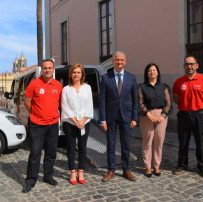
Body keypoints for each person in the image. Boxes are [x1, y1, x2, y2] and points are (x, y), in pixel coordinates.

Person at [22, 59, 62, 193]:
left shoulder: (58, 85)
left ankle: (48, 176)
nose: (47, 70)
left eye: (50, 68)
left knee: (51, 153)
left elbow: (60, 104)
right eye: (45, 68)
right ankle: (30, 180)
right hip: (37, 125)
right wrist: (36, 114)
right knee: (35, 153)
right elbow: (27, 102)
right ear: (42, 69)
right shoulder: (34, 84)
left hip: (53, 125)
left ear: (53, 69)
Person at [172, 56, 203, 177]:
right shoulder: (179, 81)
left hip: (199, 115)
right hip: (184, 115)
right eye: (186, 64)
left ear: (197, 65)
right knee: (183, 142)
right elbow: (175, 97)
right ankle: (182, 165)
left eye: (192, 64)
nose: (189, 66)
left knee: (201, 142)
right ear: (184, 66)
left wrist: (202, 106)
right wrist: (185, 105)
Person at [99, 51, 138, 182]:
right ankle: (111, 170)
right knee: (111, 144)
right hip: (110, 117)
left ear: (125, 62)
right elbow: (102, 100)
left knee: (126, 144)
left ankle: (126, 169)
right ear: (113, 61)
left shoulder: (131, 78)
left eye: (122, 60)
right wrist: (103, 119)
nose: (119, 62)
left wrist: (134, 118)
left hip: (126, 116)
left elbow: (135, 100)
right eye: (117, 60)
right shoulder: (105, 78)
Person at [138, 63, 173, 178]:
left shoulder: (164, 86)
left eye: (154, 70)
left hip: (161, 116)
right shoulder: (142, 87)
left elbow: (168, 103)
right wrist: (149, 114)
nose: (152, 72)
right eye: (149, 70)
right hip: (146, 115)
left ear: (157, 72)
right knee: (147, 142)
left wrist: (162, 115)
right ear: (147, 73)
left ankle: (156, 165)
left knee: (159, 142)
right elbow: (140, 102)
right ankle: (147, 166)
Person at [61, 63, 93, 185]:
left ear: (82, 74)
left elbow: (90, 104)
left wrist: (83, 121)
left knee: (82, 148)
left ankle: (81, 171)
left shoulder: (87, 88)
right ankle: (73, 172)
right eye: (74, 72)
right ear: (71, 74)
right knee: (70, 148)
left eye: (78, 72)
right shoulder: (66, 89)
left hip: (85, 122)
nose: (76, 74)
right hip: (70, 122)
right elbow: (64, 106)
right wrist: (75, 121)